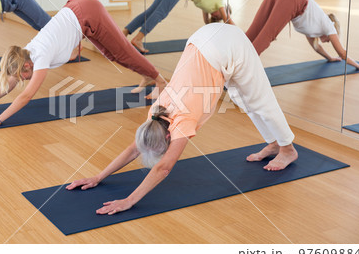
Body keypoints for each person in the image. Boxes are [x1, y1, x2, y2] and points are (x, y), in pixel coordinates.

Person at [67, 23, 298, 215]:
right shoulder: (156, 113)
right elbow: (133, 149)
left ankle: (288, 150)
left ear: (168, 136)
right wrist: (98, 176)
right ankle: (274, 142)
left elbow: (164, 168)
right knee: (241, 96)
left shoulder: (182, 120)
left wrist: (129, 200)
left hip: (228, 44)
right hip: (203, 39)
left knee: (260, 100)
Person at [0, 0, 166, 128]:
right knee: (111, 54)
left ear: (26, 66)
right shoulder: (24, 54)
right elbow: (10, 83)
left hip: (88, 13)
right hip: (78, 11)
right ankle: (145, 75)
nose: (20, 80)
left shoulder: (39, 57)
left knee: (122, 51)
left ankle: (159, 80)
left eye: (20, 76)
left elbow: (25, 96)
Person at [246, 0, 359, 70]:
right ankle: (241, 68)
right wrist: (358, 66)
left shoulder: (312, 30)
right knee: (266, 35)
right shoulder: (329, 26)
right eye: (330, 39)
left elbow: (317, 48)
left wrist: (330, 58)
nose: (328, 41)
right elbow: (342, 53)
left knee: (254, 31)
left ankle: (232, 60)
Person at [123, 0, 234, 53]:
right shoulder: (220, 3)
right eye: (219, 15)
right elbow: (228, 21)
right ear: (225, 9)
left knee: (152, 10)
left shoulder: (208, 7)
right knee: (161, 12)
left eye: (215, 17)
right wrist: (242, 36)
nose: (215, 16)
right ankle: (138, 39)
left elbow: (206, 22)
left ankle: (124, 32)